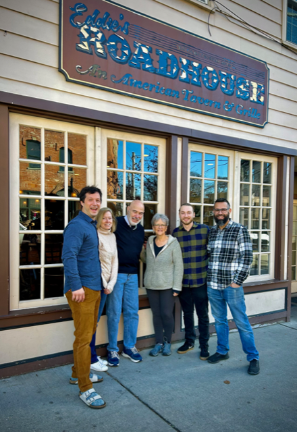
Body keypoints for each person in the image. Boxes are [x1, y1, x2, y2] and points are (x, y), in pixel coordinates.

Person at [62, 186, 106, 409]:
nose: (95, 204)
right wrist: (76, 286)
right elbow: (68, 256)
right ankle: (85, 387)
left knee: (87, 334)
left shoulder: (90, 224)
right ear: (82, 202)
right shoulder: (77, 225)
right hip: (82, 290)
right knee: (83, 338)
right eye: (91, 200)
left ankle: (76, 374)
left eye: (98, 200)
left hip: (94, 288)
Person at [207, 198, 260, 375]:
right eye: (217, 210)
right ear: (213, 212)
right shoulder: (212, 231)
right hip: (213, 285)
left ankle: (253, 357)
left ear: (229, 211)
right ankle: (222, 351)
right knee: (220, 320)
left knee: (241, 322)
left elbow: (247, 258)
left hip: (232, 287)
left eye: (223, 210)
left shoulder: (239, 230)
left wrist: (237, 281)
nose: (220, 213)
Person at [106, 200, 145, 366]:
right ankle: (112, 348)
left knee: (132, 312)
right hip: (117, 275)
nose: (137, 215)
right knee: (114, 312)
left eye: (140, 213)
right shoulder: (116, 224)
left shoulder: (141, 229)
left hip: (133, 275)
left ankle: (129, 347)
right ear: (127, 209)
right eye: (134, 211)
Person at [141, 213, 183, 356]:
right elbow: (146, 260)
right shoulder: (151, 241)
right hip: (152, 284)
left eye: (162, 225)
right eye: (157, 225)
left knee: (166, 314)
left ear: (166, 227)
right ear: (153, 227)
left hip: (167, 285)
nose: (159, 227)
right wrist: (142, 250)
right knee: (156, 314)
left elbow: (179, 266)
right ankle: (158, 342)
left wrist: (177, 287)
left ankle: (168, 342)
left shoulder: (173, 243)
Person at [173, 204, 210, 360]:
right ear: (180, 215)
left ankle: (204, 346)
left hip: (200, 281)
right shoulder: (175, 233)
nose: (186, 215)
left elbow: (212, 252)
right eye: (183, 213)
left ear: (194, 214)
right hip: (184, 283)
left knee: (202, 315)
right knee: (187, 314)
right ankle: (189, 341)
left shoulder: (205, 230)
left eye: (188, 212)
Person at [89, 208, 118, 373]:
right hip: (96, 285)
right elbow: (95, 263)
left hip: (107, 286)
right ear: (99, 220)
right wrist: (103, 284)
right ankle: (92, 358)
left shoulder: (112, 236)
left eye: (110, 218)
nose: (108, 221)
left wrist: (111, 284)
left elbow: (115, 262)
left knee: (96, 321)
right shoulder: (94, 235)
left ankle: (92, 355)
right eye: (105, 218)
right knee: (92, 322)